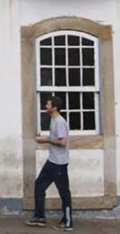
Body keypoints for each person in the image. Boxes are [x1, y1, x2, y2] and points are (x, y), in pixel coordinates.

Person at [26, 96, 73, 231]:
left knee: (64, 192)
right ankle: (40, 217)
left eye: (48, 104)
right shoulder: (53, 120)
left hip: (59, 163)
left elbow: (63, 142)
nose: (45, 106)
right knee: (39, 185)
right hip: (52, 161)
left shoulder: (59, 122)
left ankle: (68, 222)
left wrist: (46, 140)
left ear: (54, 107)